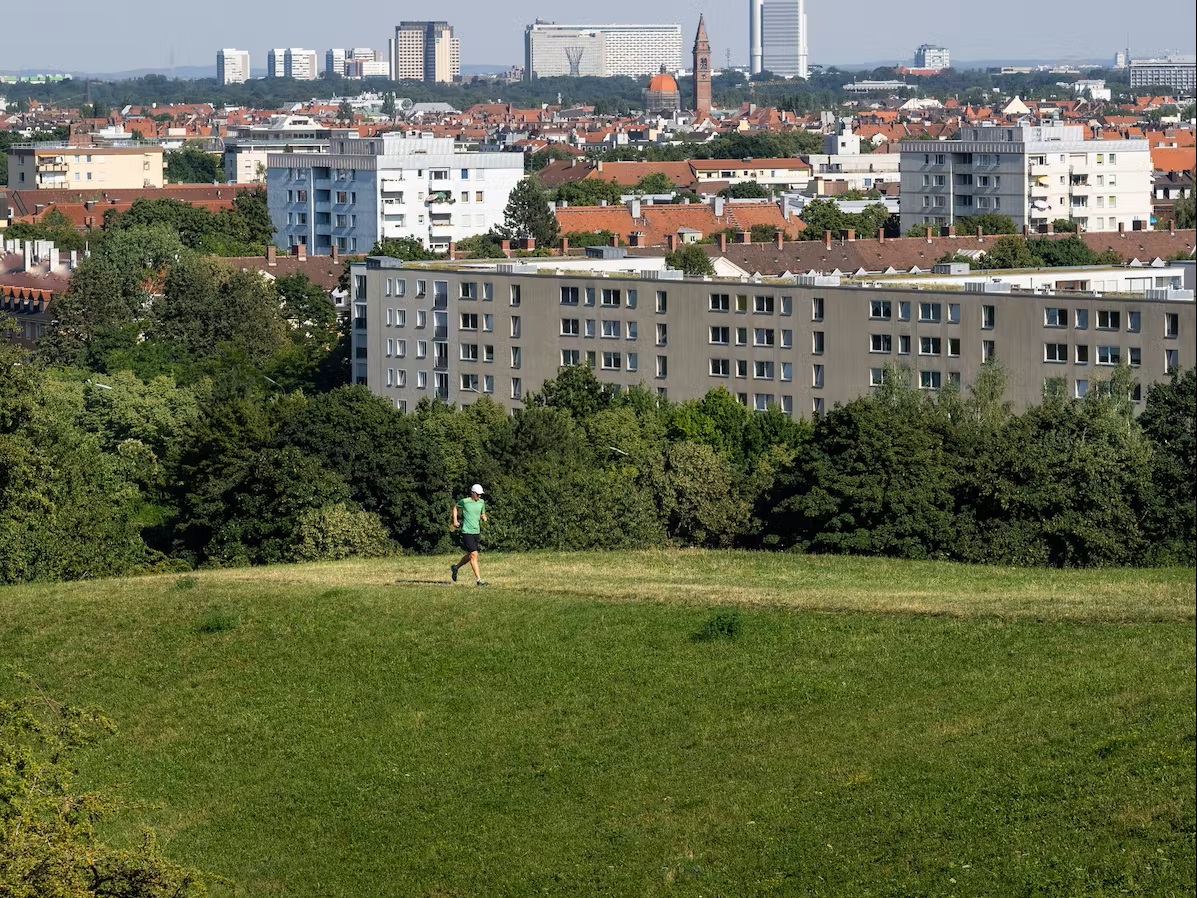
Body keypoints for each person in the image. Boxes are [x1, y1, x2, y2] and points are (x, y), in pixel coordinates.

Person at [451, 484, 489, 586]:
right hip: (467, 531)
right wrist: (455, 520)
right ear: (472, 493)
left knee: (470, 555)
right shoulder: (465, 501)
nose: (479, 496)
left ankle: (456, 567)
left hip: (476, 531)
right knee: (474, 555)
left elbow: (482, 513)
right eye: (477, 494)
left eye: (480, 494)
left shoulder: (481, 502)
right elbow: (455, 507)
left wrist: (484, 517)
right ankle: (479, 580)